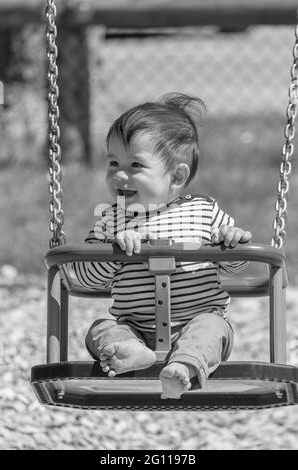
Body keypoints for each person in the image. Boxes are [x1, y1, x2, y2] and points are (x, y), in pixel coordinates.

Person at [72, 93, 252, 399]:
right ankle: (131, 352)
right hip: (135, 328)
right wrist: (116, 253)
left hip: (197, 320)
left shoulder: (205, 212)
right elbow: (86, 278)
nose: (118, 174)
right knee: (100, 328)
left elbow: (236, 266)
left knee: (212, 328)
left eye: (135, 165)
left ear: (177, 176)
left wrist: (232, 242)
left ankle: (183, 368)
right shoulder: (110, 220)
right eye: (113, 162)